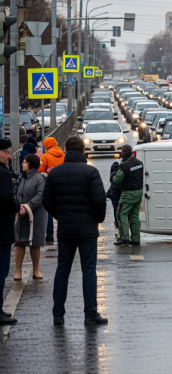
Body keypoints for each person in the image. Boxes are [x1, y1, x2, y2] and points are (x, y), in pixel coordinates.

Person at [43, 136, 108, 325]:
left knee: (62, 269)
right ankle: (90, 314)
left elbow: (47, 201)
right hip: (87, 230)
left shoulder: (55, 173)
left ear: (64, 149)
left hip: (65, 229)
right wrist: (97, 219)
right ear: (83, 151)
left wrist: (59, 215)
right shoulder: (91, 172)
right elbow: (99, 201)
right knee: (88, 270)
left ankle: (58, 314)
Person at [13, 154, 46, 281]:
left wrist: (28, 207)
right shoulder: (22, 178)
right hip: (22, 215)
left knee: (34, 242)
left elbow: (40, 196)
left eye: (24, 162)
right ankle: (17, 271)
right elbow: (15, 191)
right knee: (20, 241)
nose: (22, 164)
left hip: (35, 215)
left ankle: (36, 270)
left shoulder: (39, 179)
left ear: (30, 164)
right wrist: (18, 207)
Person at [0, 139, 20, 325]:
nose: (9, 156)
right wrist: (16, 207)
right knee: (1, 270)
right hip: (2, 230)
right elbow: (7, 198)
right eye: (7, 152)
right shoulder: (3, 174)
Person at [113, 145, 143, 246]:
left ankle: (124, 237)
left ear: (124, 152)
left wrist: (113, 175)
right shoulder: (139, 163)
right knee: (134, 215)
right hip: (139, 192)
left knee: (121, 214)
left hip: (128, 193)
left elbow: (117, 180)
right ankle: (136, 239)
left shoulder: (124, 165)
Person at [40, 136, 64, 244]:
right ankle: (62, 232)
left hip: (49, 186)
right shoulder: (63, 155)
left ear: (46, 146)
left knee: (49, 210)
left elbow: (40, 172)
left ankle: (49, 235)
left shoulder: (44, 157)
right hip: (63, 187)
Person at [107, 160, 122, 240]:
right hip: (122, 193)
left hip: (115, 194)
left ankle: (120, 232)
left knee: (117, 212)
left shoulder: (114, 168)